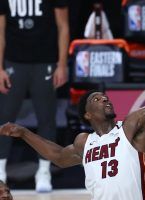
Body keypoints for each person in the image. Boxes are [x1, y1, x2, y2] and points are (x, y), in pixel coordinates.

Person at [0, 34, 145, 200]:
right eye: (97, 99)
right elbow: (59, 156)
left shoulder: (131, 126)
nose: (105, 100)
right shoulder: (84, 142)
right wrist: (23, 133)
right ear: (87, 114)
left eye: (105, 97)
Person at [0, 0, 69, 192]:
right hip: (14, 60)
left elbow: (63, 26)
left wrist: (62, 65)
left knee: (47, 117)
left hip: (44, 61)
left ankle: (44, 171)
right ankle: (0, 173)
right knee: (5, 116)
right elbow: (1, 31)